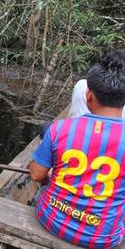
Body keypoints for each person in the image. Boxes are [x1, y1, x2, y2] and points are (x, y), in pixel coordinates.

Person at [30, 49, 125, 248]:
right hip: (103, 238)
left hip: (51, 220)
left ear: (88, 95)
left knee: (42, 192)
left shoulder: (60, 128)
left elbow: (37, 175)